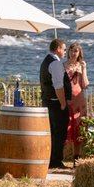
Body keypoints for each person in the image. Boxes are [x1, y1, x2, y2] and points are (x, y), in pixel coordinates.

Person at [40, 39, 69, 171]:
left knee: (51, 131)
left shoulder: (46, 60)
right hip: (55, 103)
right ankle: (55, 160)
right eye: (64, 49)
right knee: (59, 132)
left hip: (47, 101)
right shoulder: (56, 63)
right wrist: (63, 103)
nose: (65, 51)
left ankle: (50, 158)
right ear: (57, 48)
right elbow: (58, 86)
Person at [62, 42, 90, 163]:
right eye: (72, 51)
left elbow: (85, 84)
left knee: (79, 129)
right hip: (67, 101)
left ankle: (76, 158)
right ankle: (60, 156)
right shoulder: (63, 65)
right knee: (65, 128)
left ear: (79, 53)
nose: (73, 53)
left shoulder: (81, 65)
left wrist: (83, 69)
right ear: (68, 52)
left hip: (79, 101)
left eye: (76, 51)